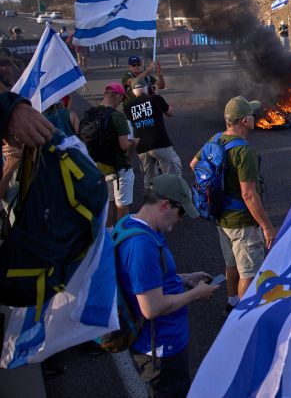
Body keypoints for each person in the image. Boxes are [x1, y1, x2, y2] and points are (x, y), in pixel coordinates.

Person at [115, 174, 220, 397]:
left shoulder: (130, 223)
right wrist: (197, 294)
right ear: (165, 205)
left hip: (160, 342)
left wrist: (185, 278)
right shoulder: (142, 245)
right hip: (161, 348)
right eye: (180, 213)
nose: (180, 220)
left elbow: (146, 279)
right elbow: (151, 307)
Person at [190, 96, 276, 313]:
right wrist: (267, 227)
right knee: (249, 270)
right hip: (242, 222)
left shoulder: (216, 139)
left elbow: (194, 164)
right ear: (244, 121)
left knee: (232, 263)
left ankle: (232, 302)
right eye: (252, 115)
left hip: (222, 217)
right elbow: (249, 195)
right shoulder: (244, 152)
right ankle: (243, 319)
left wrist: (219, 189)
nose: (255, 117)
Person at [88, 83, 138, 227]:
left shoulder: (90, 113)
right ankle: (121, 237)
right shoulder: (117, 116)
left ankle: (109, 236)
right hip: (119, 168)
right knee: (122, 205)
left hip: (100, 168)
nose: (122, 102)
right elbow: (124, 145)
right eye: (122, 99)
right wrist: (133, 142)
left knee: (108, 203)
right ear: (117, 96)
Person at [124, 75, 182, 188]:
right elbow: (170, 113)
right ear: (147, 87)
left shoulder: (127, 107)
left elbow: (129, 130)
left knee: (150, 180)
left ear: (132, 91)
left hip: (142, 147)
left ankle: (150, 202)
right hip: (160, 143)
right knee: (173, 176)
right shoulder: (155, 99)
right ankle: (174, 203)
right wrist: (157, 96)